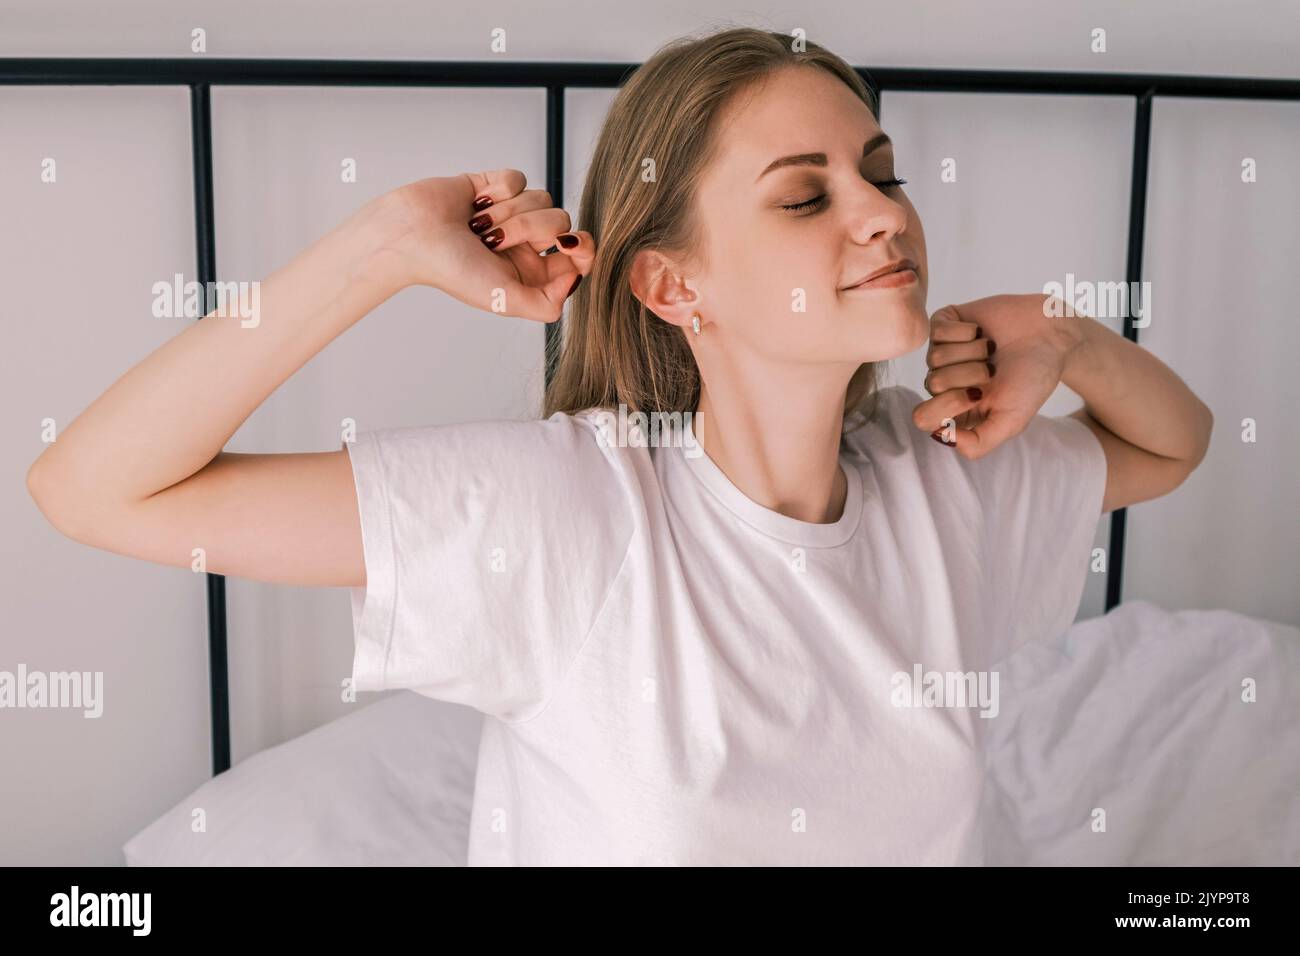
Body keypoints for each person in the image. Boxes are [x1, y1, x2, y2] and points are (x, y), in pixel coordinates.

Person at [25, 27, 1213, 865]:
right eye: (805, 197)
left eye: (881, 172)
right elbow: (90, 488)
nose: (884, 212)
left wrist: (1070, 339)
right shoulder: (567, 512)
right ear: (670, 284)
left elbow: (1172, 447)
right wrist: (382, 246)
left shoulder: (940, 473)